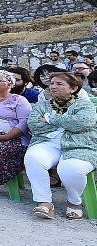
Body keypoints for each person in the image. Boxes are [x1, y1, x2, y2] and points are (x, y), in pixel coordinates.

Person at [24, 72, 97, 220]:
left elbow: (82, 123)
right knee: (33, 157)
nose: (53, 86)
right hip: (48, 142)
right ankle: (45, 202)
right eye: (51, 83)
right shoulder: (42, 105)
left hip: (79, 145)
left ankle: (74, 201)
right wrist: (66, 122)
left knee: (71, 168)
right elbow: (34, 125)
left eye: (59, 84)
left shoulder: (85, 105)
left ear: (73, 88)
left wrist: (50, 118)